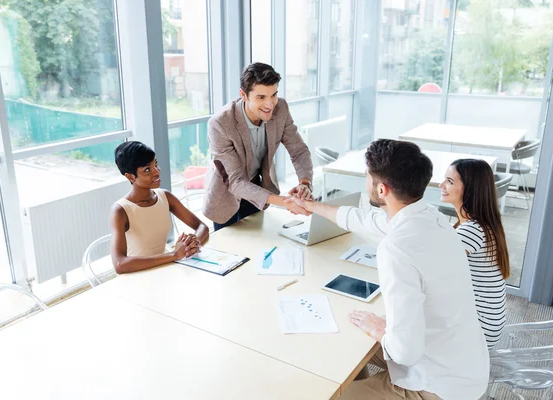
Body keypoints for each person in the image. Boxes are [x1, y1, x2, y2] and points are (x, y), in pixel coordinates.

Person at [286, 139, 489, 399]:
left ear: (381, 189)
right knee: (354, 338)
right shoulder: (431, 218)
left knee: (327, 389)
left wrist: (383, 331)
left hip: (437, 384)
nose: (366, 182)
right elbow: (365, 220)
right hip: (466, 364)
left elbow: (405, 351)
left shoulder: (397, 249)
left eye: (368, 177)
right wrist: (311, 206)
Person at [203, 62, 314, 231]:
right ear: (244, 95)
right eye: (261, 97)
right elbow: (236, 181)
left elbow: (298, 150)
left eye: (274, 95)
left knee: (257, 243)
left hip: (256, 188)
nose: (270, 104)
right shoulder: (220, 123)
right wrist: (285, 202)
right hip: (226, 195)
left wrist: (304, 183)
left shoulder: (281, 108)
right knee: (233, 252)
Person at [439, 158, 509, 349]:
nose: (441, 185)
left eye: (450, 181)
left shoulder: (471, 230)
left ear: (470, 189)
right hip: (489, 321)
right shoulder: (483, 223)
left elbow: (433, 270)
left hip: (478, 331)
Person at [110, 141, 209, 274]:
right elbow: (119, 264)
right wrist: (174, 255)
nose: (156, 172)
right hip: (136, 278)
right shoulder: (121, 210)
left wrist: (190, 244)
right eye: (147, 169)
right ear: (130, 176)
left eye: (155, 164)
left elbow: (202, 227)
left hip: (163, 271)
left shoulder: (165, 196)